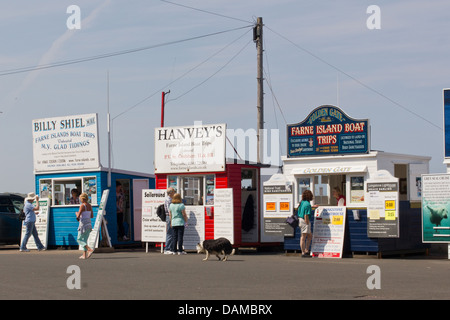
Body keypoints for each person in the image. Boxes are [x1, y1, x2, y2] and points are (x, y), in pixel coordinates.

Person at [298, 189, 316, 257]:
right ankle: (304, 252)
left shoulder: (302, 202)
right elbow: (306, 215)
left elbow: (303, 209)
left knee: (308, 236)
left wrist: (312, 207)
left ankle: (305, 250)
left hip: (300, 219)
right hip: (305, 221)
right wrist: (307, 223)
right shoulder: (308, 204)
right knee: (304, 236)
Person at [76, 193, 94, 259]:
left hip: (83, 225)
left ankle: (89, 249)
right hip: (89, 224)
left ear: (83, 199)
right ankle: (84, 255)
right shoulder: (90, 205)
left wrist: (76, 214)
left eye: (80, 199)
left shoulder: (82, 206)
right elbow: (92, 216)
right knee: (85, 240)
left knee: (79, 239)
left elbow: (78, 216)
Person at [164, 187, 175, 254]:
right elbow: (169, 210)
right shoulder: (168, 199)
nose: (174, 193)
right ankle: (167, 249)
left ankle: (170, 248)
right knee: (169, 233)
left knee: (172, 233)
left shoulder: (171, 199)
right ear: (170, 193)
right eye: (174, 191)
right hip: (169, 217)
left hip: (171, 216)